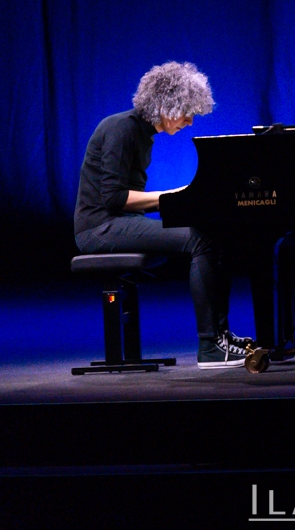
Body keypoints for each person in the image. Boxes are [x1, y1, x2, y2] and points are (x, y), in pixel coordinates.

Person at [73, 61, 252, 368]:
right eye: (187, 112)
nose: (191, 121)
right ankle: (209, 346)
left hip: (120, 222)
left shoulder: (141, 134)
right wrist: (174, 196)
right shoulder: (120, 128)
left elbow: (132, 201)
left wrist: (186, 201)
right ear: (166, 106)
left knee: (215, 234)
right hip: (98, 228)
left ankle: (221, 335)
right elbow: (114, 198)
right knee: (199, 240)